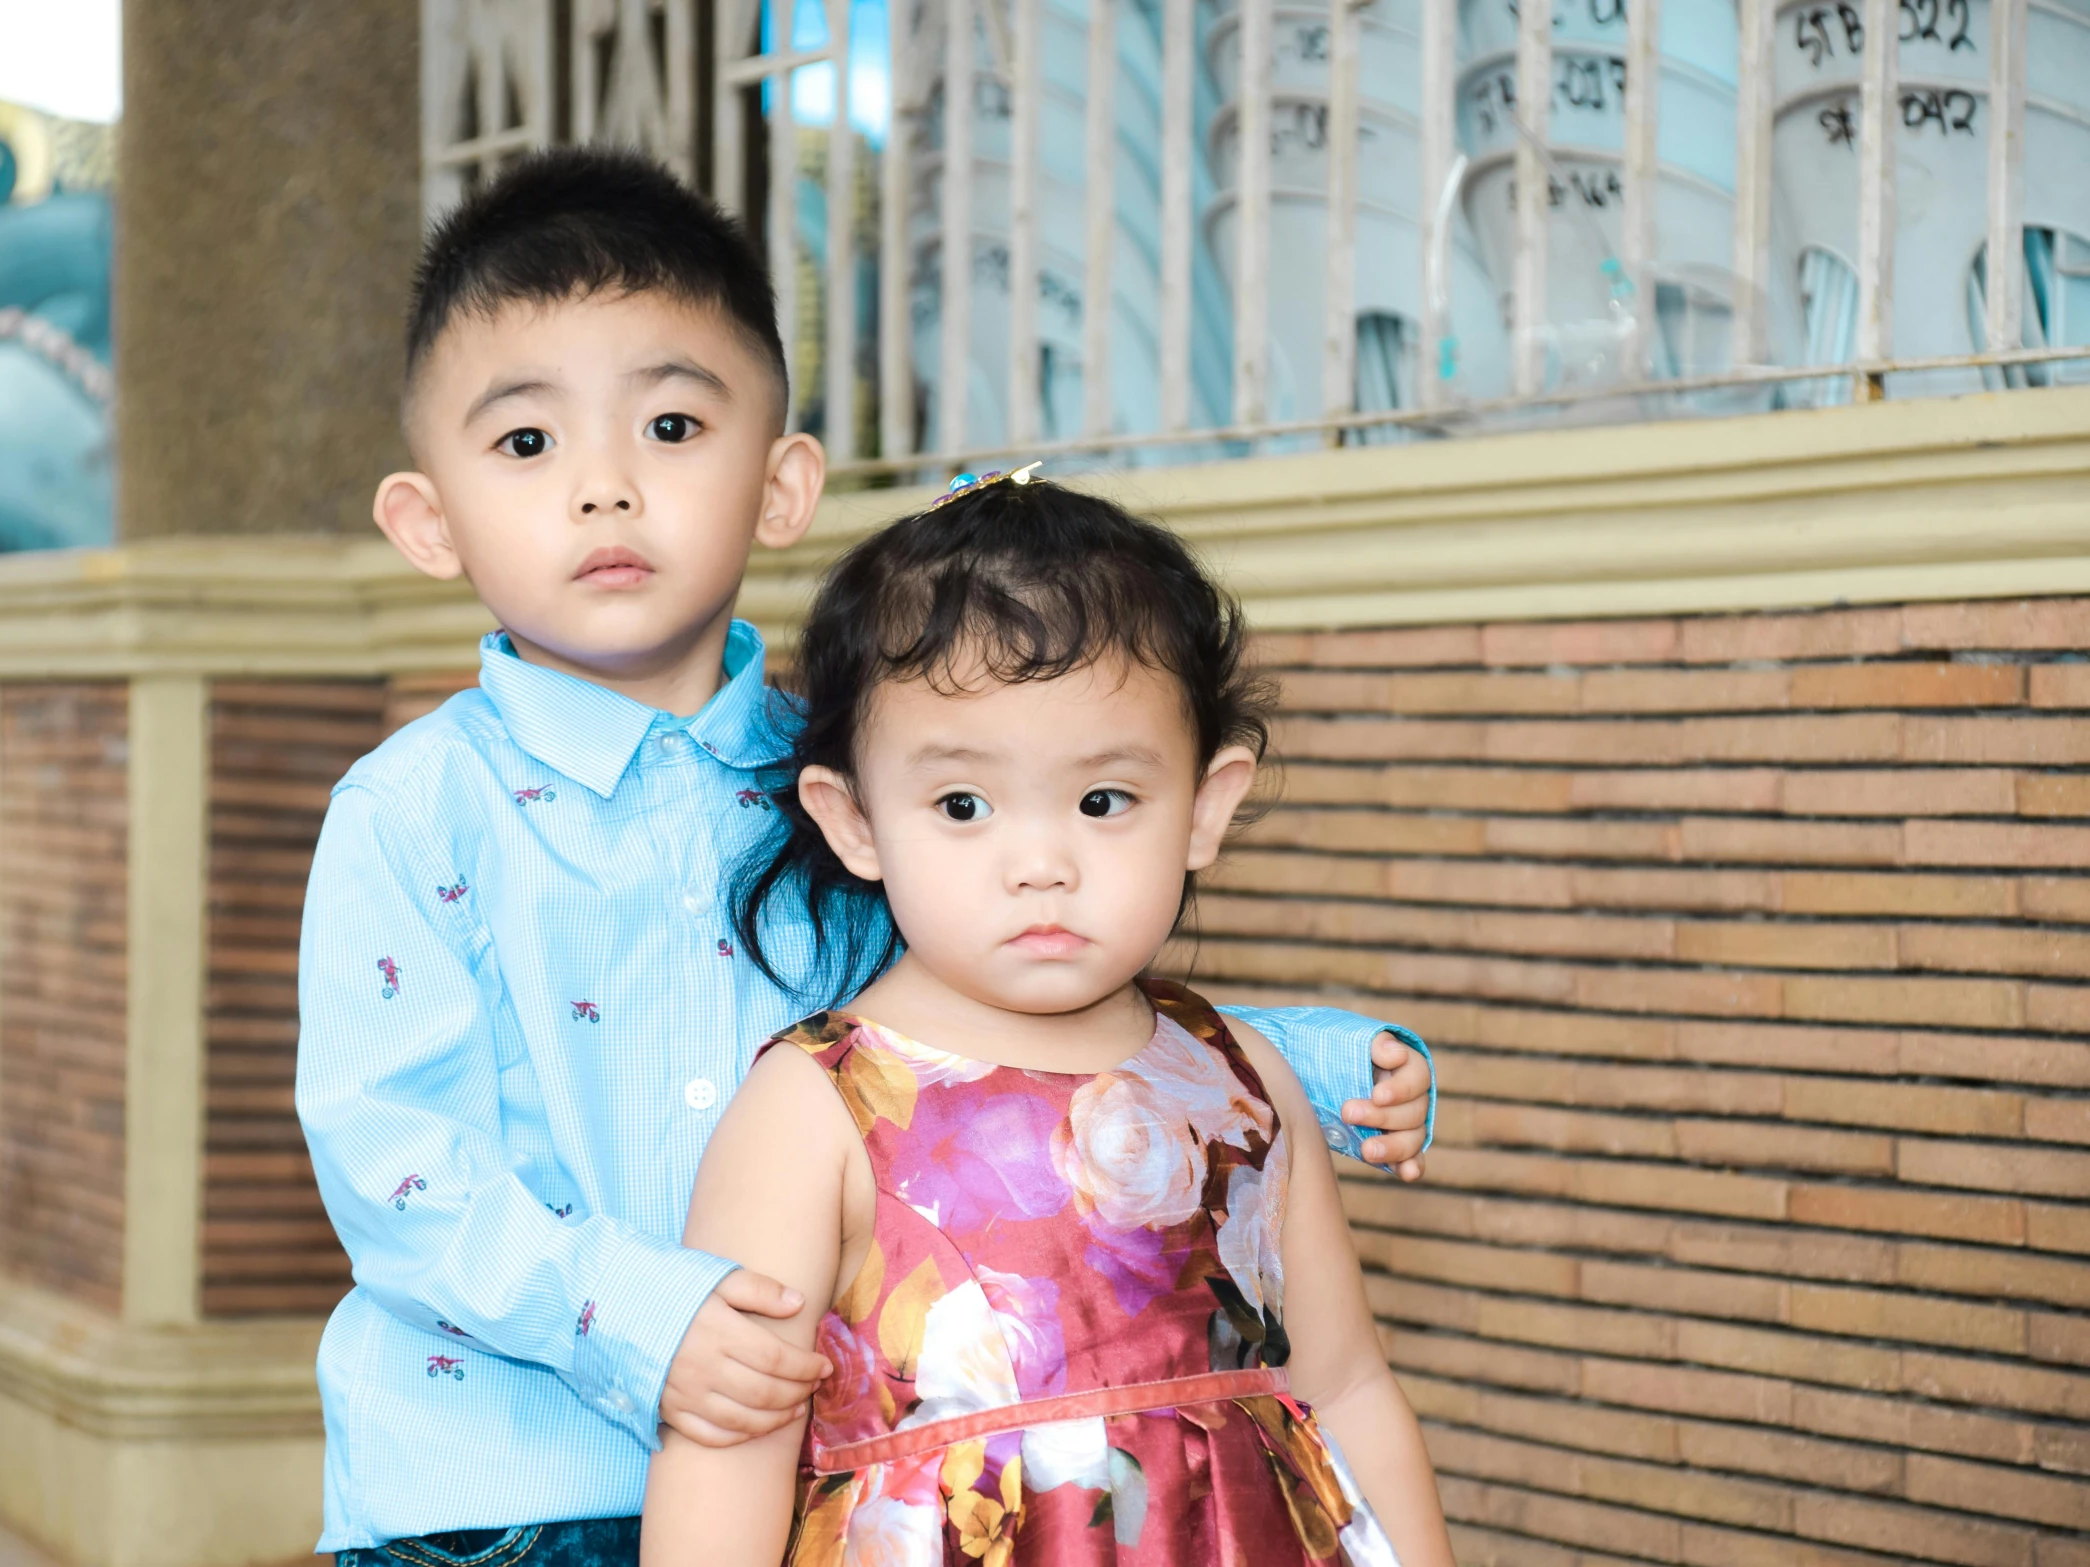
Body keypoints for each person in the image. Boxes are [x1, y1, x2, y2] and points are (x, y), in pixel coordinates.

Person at [296, 145, 1438, 1567]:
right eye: (527, 443)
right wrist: (645, 1320)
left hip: (806, 1463)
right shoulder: (414, 808)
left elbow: (982, 1006)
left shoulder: (870, 774)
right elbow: (393, 1161)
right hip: (500, 1483)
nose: (602, 488)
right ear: (427, 518)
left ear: (780, 486)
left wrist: (1293, 1062)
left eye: (667, 425)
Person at [638, 474, 1454, 1566]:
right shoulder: (814, 1105)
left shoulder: (1240, 1076)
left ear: (1204, 807)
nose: (1041, 864)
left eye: (1103, 800)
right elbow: (724, 1447)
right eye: (963, 806)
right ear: (856, 820)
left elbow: (1344, 1379)